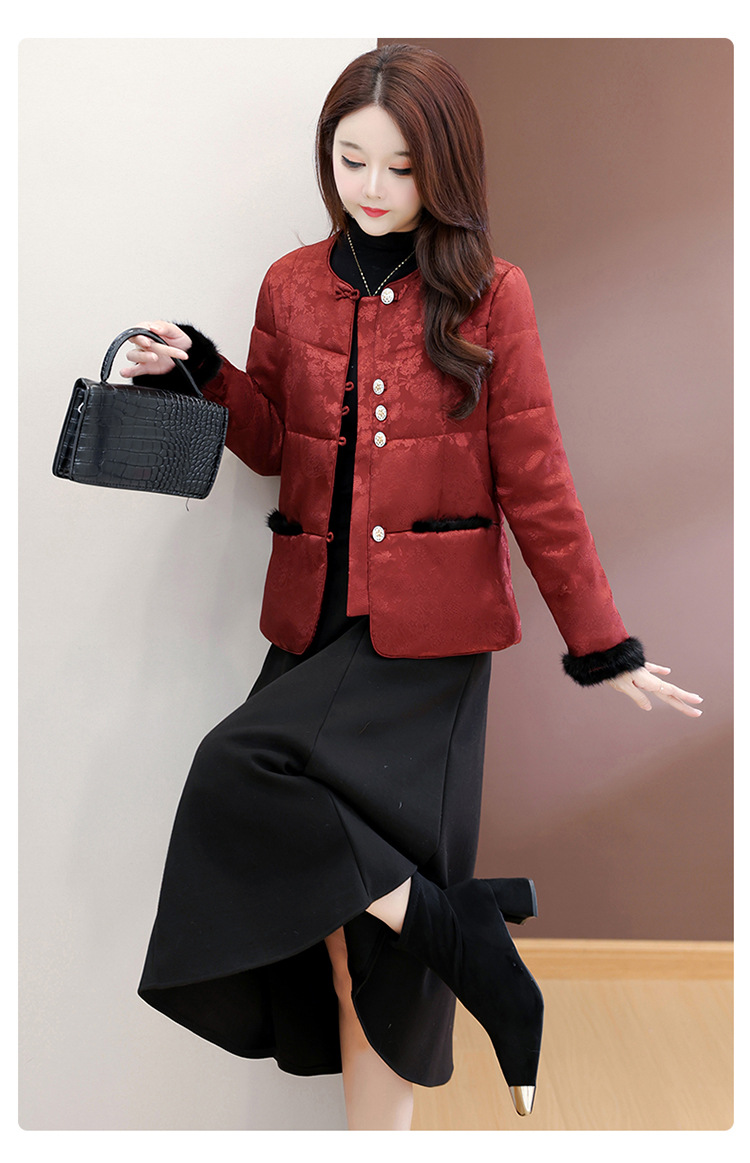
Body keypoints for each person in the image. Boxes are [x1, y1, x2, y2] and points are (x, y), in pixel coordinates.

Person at [122, 44, 703, 1132]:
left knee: (377, 947)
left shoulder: (492, 293)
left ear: (445, 165)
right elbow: (273, 445)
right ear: (327, 157)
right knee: (316, 895)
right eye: (352, 161)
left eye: (401, 165)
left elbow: (536, 480)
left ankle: (437, 966)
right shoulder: (290, 282)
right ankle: (460, 925)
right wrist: (201, 368)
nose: (375, 187)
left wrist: (605, 646)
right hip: (313, 628)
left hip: (427, 654)